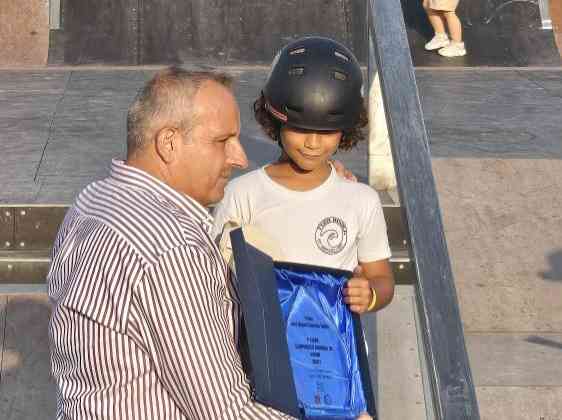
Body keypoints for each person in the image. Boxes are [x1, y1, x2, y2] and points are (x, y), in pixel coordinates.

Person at [47, 66, 373, 420]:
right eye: (223, 141)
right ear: (168, 142)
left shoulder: (93, 202)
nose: (240, 158)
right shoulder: (170, 250)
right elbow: (227, 412)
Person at [213, 37, 395, 330]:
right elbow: (215, 277)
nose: (312, 143)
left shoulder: (362, 200)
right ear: (276, 121)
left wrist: (370, 294)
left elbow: (382, 277)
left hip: (334, 360)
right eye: (300, 129)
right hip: (260, 359)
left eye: (326, 132)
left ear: (345, 130)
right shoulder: (242, 194)